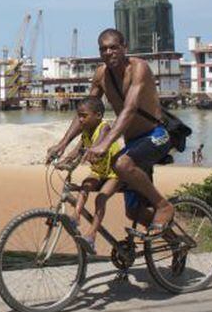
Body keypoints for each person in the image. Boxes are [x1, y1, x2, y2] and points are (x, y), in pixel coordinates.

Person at [47, 29, 174, 234]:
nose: (108, 52)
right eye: (103, 49)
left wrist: (105, 144)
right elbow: (86, 111)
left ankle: (163, 206)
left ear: (124, 48)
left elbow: (130, 109)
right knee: (134, 212)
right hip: (133, 143)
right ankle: (173, 240)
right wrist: (62, 144)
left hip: (156, 135)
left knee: (121, 163)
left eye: (113, 47)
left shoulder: (139, 68)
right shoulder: (101, 75)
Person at [56, 97, 122, 254]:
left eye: (84, 116)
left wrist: (91, 151)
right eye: (79, 115)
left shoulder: (104, 127)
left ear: (98, 115)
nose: (80, 119)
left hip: (115, 173)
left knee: (100, 199)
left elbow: (98, 143)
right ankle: (75, 216)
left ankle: (91, 236)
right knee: (84, 186)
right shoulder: (85, 132)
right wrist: (62, 161)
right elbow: (76, 152)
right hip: (99, 172)